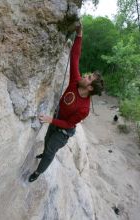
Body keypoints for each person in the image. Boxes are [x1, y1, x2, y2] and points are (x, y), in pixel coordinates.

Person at [29, 22, 104, 182]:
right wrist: (79, 35)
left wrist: (51, 120)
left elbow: (69, 124)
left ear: (90, 88)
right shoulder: (75, 81)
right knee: (47, 141)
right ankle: (44, 153)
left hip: (63, 131)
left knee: (50, 151)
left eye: (89, 78)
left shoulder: (84, 109)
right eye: (88, 75)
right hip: (57, 120)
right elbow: (75, 57)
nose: (85, 75)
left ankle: (38, 172)